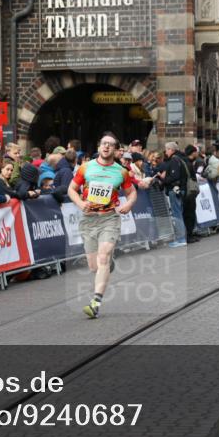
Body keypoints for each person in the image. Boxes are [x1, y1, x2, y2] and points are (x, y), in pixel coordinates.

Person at [69, 134, 137, 319]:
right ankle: (108, 263)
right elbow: (71, 189)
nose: (106, 147)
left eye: (110, 145)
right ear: (99, 147)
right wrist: (81, 204)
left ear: (115, 150)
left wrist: (128, 204)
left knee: (103, 257)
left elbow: (132, 193)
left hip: (110, 218)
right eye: (104, 144)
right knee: (94, 266)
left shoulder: (121, 171)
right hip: (89, 220)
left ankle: (95, 303)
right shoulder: (86, 167)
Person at [157, 142, 189, 247]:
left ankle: (181, 239)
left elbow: (175, 176)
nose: (165, 152)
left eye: (166, 149)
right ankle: (182, 238)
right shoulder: (180, 159)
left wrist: (164, 180)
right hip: (179, 189)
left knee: (177, 215)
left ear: (171, 149)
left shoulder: (174, 160)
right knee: (179, 213)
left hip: (175, 190)